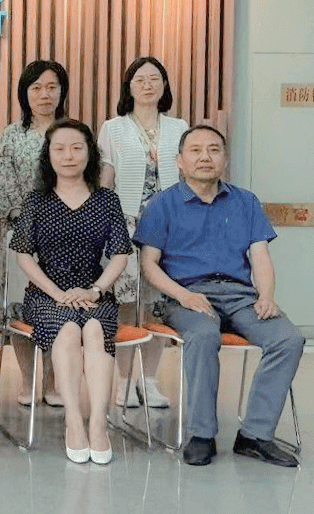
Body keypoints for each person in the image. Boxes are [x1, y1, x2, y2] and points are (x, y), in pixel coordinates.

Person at [137, 125, 304, 468]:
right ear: (179, 161)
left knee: (288, 339)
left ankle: (255, 435)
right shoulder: (162, 204)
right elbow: (148, 264)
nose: (205, 157)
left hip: (241, 296)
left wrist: (266, 295)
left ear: (225, 159)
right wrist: (183, 296)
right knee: (203, 335)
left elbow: (260, 255)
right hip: (187, 296)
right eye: (196, 150)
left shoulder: (245, 201)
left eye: (214, 150)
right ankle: (201, 434)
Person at [10, 120, 132, 465]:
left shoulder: (106, 199)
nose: (68, 155)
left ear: (90, 153)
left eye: (77, 148)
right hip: (46, 293)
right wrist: (55, 292)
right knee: (66, 331)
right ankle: (73, 421)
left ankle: (98, 425)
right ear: (48, 156)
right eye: (59, 149)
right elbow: (23, 254)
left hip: (94, 291)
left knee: (93, 330)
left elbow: (120, 254)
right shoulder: (37, 200)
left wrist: (96, 289)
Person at [99, 56, 187, 408]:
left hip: (168, 227)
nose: (148, 85)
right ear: (129, 87)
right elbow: (106, 177)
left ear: (164, 86)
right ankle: (123, 381)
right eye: (140, 79)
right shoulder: (113, 127)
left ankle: (148, 381)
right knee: (124, 303)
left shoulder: (179, 127)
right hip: (124, 224)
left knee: (157, 305)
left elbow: (186, 176)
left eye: (155, 79)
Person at [0, 60, 68, 407]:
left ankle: (52, 382)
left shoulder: (74, 133)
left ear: (62, 91)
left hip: (68, 239)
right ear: (25, 93)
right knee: (20, 309)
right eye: (36, 88)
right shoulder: (12, 134)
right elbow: (2, 188)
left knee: (60, 310)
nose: (44, 94)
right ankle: (27, 379)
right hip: (22, 235)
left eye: (52, 87)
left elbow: (89, 182)